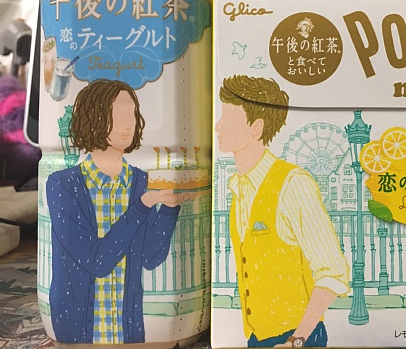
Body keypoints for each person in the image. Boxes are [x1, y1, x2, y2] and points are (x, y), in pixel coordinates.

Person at [46, 79, 190, 344]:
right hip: (78, 331)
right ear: (92, 118)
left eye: (131, 113)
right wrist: (142, 207)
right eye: (116, 114)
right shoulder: (63, 185)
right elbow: (96, 261)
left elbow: (150, 258)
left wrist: (169, 209)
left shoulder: (141, 182)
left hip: (128, 327)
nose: (128, 123)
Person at [216, 75, 350, 348]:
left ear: (256, 128)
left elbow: (333, 271)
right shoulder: (239, 188)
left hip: (297, 337)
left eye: (228, 118)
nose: (217, 126)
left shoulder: (293, 183)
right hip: (257, 337)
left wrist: (297, 339)